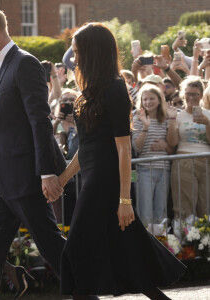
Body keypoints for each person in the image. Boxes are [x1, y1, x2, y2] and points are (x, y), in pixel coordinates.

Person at [55, 23, 186, 300]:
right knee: (128, 254)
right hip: (92, 178)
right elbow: (86, 148)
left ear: (93, 52)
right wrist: (62, 179)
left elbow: (124, 149)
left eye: (77, 52)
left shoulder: (115, 89)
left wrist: (124, 200)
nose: (74, 58)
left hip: (106, 183)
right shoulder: (87, 92)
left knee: (76, 251)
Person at [0, 4, 67, 299]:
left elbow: (39, 121)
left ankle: (90, 293)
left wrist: (46, 173)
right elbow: (10, 121)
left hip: (27, 180)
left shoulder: (25, 63)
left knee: (51, 247)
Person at [132, 84, 176, 225]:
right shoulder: (137, 117)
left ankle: (161, 244)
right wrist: (146, 127)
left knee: (161, 214)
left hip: (164, 169)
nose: (148, 102)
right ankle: (146, 246)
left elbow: (172, 147)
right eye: (145, 99)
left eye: (152, 98)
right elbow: (137, 147)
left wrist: (165, 145)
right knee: (145, 214)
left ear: (159, 100)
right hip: (144, 170)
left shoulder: (166, 118)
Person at [167, 76, 210, 219]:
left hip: (206, 163)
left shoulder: (209, 115)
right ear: (183, 94)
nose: (191, 97)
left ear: (201, 95)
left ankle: (205, 239)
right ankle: (185, 240)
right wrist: (172, 120)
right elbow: (172, 143)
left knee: (205, 205)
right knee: (184, 206)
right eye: (188, 93)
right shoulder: (177, 116)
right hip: (184, 163)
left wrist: (207, 124)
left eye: (195, 94)